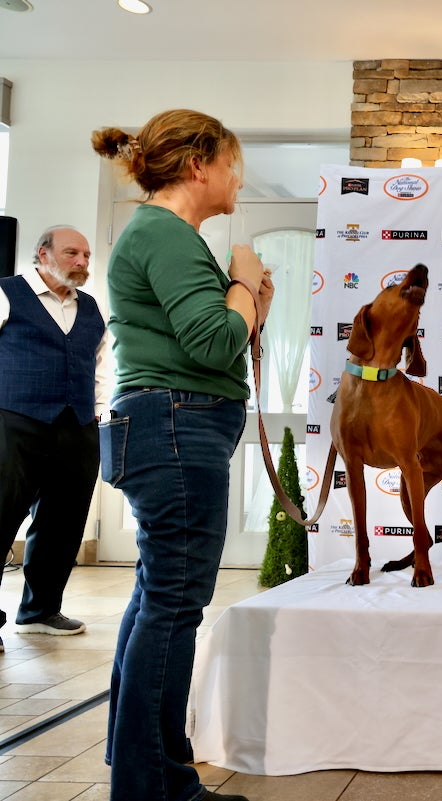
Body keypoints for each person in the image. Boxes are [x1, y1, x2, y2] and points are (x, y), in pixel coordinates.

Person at [92, 109, 274, 801]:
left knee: (155, 598)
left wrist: (246, 299)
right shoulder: (166, 234)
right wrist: (242, 280)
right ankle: (156, 787)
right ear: (198, 165)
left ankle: (146, 770)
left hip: (167, 423)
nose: (236, 179)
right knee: (172, 605)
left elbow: (213, 331)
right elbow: (211, 342)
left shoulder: (162, 233)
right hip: (176, 425)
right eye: (230, 164)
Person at [0, 225, 110, 650]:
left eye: (85, 255)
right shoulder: (7, 293)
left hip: (78, 424)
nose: (81, 262)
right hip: (14, 420)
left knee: (63, 522)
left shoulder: (91, 307)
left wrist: (96, 413)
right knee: (2, 515)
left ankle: (40, 611)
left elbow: (101, 363)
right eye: (71, 254)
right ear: (42, 254)